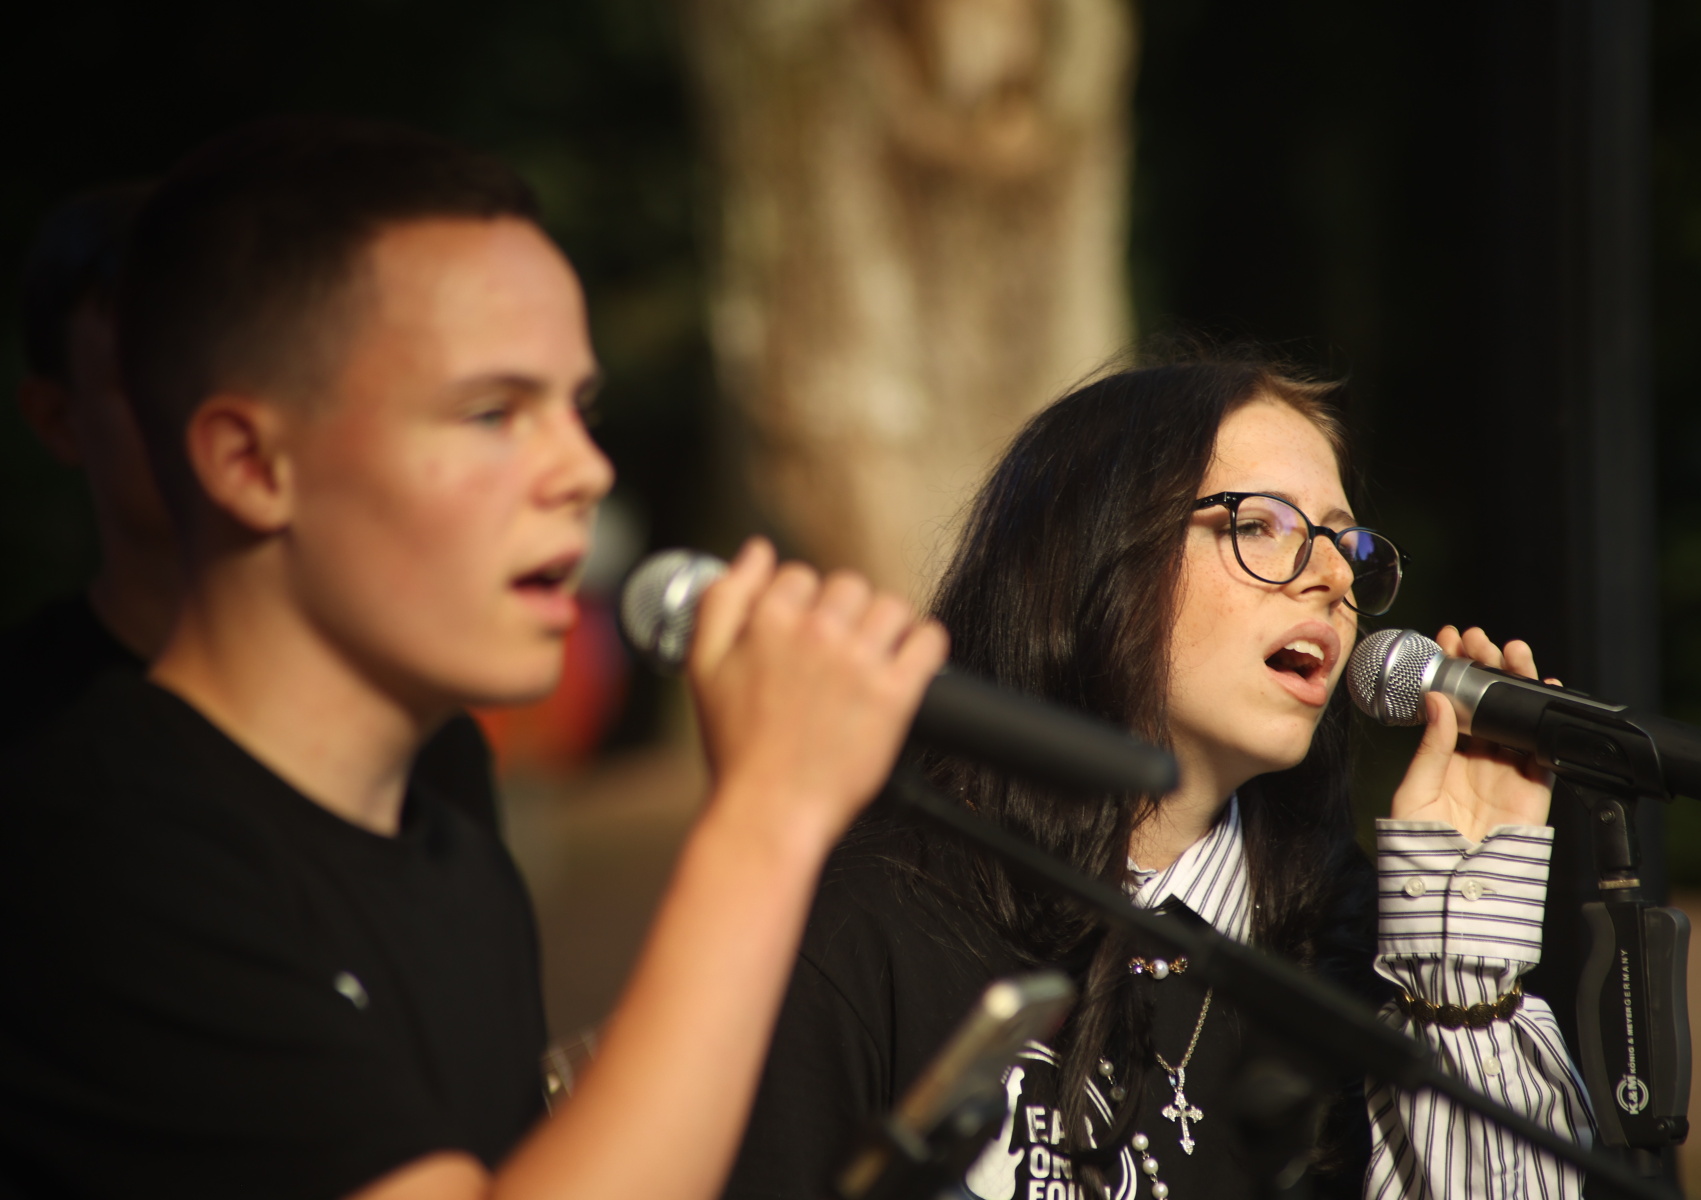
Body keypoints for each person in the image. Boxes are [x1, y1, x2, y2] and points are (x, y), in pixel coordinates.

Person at [0, 116, 947, 1200]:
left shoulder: (450, 843)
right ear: (251, 463)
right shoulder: (86, 853)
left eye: (579, 409)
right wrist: (767, 817)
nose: (584, 470)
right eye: (493, 412)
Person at [723, 355, 1594, 1200]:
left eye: (1347, 543)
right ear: (1096, 556)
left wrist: (1460, 956)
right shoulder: (876, 915)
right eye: (1261, 526)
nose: (1334, 578)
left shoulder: (1349, 944)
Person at [5, 182, 500, 830]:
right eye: (150, 379)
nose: (210, 416)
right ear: (56, 418)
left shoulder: (420, 738)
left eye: (240, 369)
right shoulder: (28, 729)